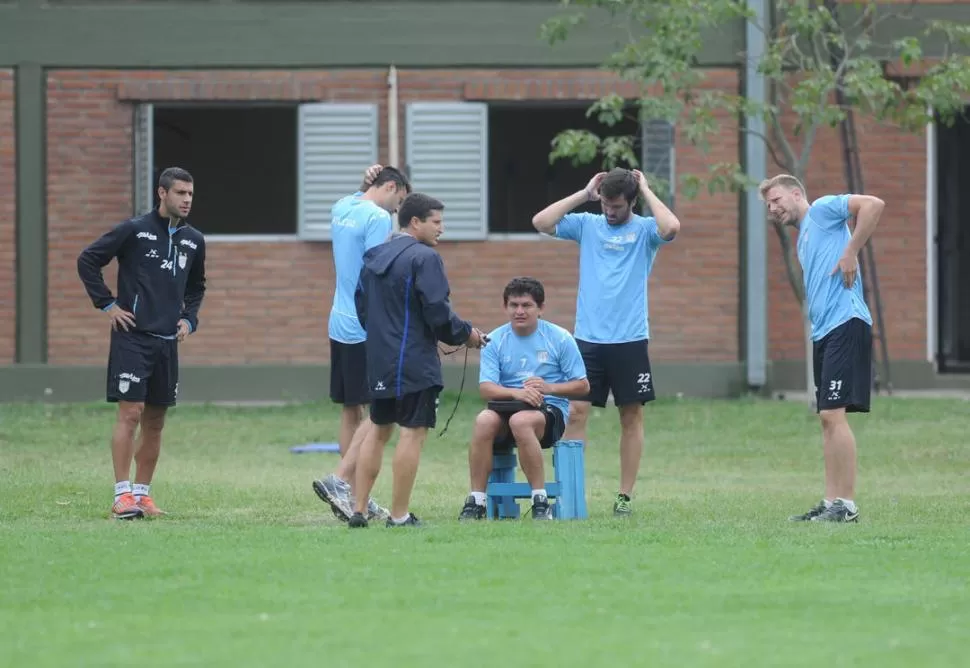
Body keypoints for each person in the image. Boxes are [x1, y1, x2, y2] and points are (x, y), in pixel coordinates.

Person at [531, 167, 681, 516]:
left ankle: (623, 497)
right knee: (577, 412)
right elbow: (541, 221)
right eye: (605, 205)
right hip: (588, 339)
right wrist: (585, 194)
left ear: (631, 202)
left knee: (630, 416)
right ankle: (568, 495)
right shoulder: (588, 224)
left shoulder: (645, 230)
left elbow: (671, 227)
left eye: (616, 206)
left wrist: (645, 188)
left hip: (630, 340)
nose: (609, 212)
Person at [349, 192, 487, 528]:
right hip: (413, 362)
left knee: (378, 431)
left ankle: (358, 510)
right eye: (436, 222)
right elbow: (438, 312)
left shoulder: (373, 256)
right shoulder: (424, 258)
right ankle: (398, 516)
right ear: (415, 222)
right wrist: (466, 334)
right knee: (412, 434)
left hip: (380, 360)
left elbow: (361, 307)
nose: (442, 229)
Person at [77, 166, 207, 520]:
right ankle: (122, 496)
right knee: (130, 413)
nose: (187, 200)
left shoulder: (194, 240)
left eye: (191, 194)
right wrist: (107, 304)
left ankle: (143, 495)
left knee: (156, 420)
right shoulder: (134, 231)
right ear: (162, 193)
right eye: (180, 193)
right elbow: (88, 260)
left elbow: (197, 288)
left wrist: (188, 319)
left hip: (167, 343)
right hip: (132, 339)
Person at [760, 174, 884, 523]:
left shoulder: (824, 210)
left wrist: (851, 252)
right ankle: (831, 503)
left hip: (846, 322)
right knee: (827, 419)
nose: (773, 209)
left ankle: (847, 505)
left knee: (833, 415)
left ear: (797, 193)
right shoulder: (803, 240)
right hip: (824, 332)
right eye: (769, 205)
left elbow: (874, 205)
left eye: (778, 200)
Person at [312, 164, 411, 523]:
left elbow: (360, 198)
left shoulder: (342, 207)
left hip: (338, 320)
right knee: (380, 410)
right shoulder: (376, 218)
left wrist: (364, 183)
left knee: (351, 409)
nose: (395, 212)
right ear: (390, 186)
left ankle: (351, 494)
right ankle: (345, 485)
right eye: (398, 202)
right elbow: (376, 271)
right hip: (365, 325)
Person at [457, 277, 589, 521]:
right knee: (483, 420)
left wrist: (548, 387)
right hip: (506, 409)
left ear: (541, 308)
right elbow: (486, 388)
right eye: (513, 305)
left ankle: (539, 500)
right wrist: (517, 393)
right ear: (505, 307)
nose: (519, 311)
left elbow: (583, 386)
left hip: (549, 413)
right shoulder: (494, 340)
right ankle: (477, 499)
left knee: (521, 421)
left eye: (526, 305)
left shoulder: (559, 338)